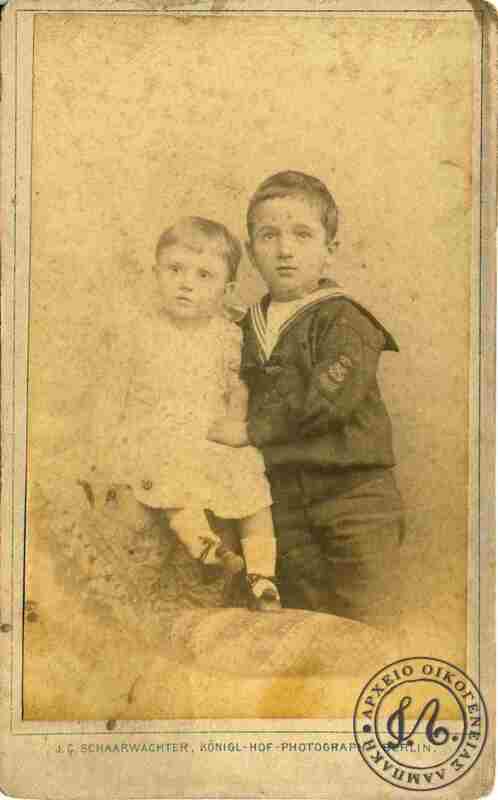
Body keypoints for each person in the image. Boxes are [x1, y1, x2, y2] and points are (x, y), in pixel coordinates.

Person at [207, 171, 404, 628]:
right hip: (284, 504)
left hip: (353, 497)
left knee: (367, 622)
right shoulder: (243, 327)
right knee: (303, 623)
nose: (285, 250)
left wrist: (251, 430)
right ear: (251, 251)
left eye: (302, 234)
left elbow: (328, 401)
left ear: (330, 248)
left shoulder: (344, 320)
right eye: (268, 236)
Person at [113, 216, 281, 612]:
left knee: (249, 475)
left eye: (204, 275)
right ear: (156, 273)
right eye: (174, 269)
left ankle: (262, 574)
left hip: (209, 428)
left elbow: (236, 386)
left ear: (227, 289)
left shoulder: (228, 335)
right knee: (166, 465)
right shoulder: (142, 331)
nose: (186, 283)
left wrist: (235, 424)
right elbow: (121, 390)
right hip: (160, 428)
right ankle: (201, 543)